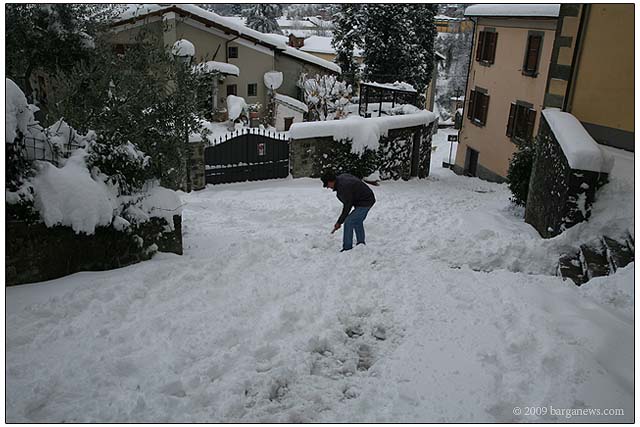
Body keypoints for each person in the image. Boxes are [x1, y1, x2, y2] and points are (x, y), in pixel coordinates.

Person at [321, 171, 376, 252]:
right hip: (365, 199)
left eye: (327, 185)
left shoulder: (343, 187)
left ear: (331, 181)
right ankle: (361, 244)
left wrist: (339, 222)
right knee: (357, 221)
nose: (328, 187)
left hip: (366, 201)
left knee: (349, 221)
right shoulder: (341, 179)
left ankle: (347, 248)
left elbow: (347, 206)